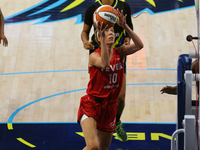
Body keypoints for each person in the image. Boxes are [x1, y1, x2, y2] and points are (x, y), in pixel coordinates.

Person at [77, 9, 143, 150]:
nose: (111, 33)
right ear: (99, 37)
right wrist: (101, 38)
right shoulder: (94, 56)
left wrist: (125, 27)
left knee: (102, 148)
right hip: (92, 104)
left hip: (110, 107)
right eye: (107, 32)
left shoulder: (121, 52)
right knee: (93, 146)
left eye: (113, 31)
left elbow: (139, 45)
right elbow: (105, 63)